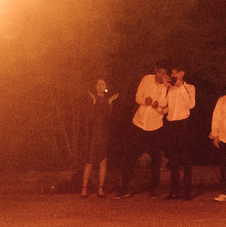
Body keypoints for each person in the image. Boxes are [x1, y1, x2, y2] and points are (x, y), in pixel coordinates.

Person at [126, 67, 170, 195]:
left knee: (156, 157)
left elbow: (163, 105)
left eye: (164, 73)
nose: (161, 75)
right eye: (160, 72)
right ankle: (126, 186)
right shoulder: (146, 79)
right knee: (129, 153)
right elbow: (138, 97)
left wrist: (164, 88)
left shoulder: (166, 87)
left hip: (155, 124)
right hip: (139, 121)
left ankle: (154, 188)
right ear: (156, 71)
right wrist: (145, 101)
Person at [160, 68, 198, 199]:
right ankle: (174, 190)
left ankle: (187, 191)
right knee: (173, 159)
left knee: (185, 158)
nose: (172, 76)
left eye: (175, 73)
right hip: (171, 124)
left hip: (183, 124)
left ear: (182, 73)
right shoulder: (169, 88)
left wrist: (180, 87)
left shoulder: (189, 87)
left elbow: (191, 104)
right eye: (171, 74)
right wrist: (164, 88)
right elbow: (163, 104)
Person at [76, 77, 116, 198]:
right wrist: (93, 103)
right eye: (98, 84)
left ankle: (100, 189)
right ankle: (84, 189)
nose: (100, 86)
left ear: (105, 86)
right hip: (93, 135)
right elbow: (89, 118)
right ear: (95, 86)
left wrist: (109, 104)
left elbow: (110, 118)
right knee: (89, 162)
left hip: (104, 135)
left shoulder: (107, 100)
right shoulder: (91, 100)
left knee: (103, 161)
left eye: (103, 84)